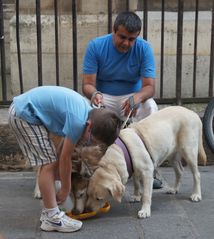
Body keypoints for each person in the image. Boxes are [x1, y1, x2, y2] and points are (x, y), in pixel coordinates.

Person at [8, 86, 121, 233]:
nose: (90, 144)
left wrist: (57, 177)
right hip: (23, 115)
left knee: (50, 161)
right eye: (92, 140)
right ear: (89, 126)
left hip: (24, 111)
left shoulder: (86, 114)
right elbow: (65, 158)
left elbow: (62, 149)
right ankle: (52, 218)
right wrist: (65, 188)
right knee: (48, 163)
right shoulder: (78, 122)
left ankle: (49, 212)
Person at [82, 11, 162, 189]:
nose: (126, 43)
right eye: (122, 37)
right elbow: (87, 84)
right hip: (104, 96)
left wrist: (138, 97)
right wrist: (95, 94)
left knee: (151, 107)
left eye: (132, 39)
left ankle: (151, 169)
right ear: (113, 31)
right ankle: (91, 166)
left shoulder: (144, 48)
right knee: (86, 113)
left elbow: (149, 87)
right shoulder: (96, 46)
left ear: (138, 36)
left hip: (132, 96)